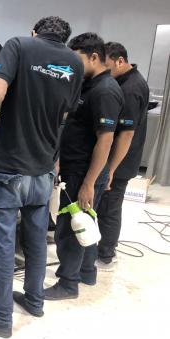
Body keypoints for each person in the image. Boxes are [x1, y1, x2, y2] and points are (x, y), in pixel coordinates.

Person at [0, 16, 83, 338]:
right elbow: (64, 114)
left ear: (35, 31)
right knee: (36, 239)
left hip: (10, 168)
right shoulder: (74, 62)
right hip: (44, 169)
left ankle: (1, 318)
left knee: (4, 244)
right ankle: (34, 300)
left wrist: (8, 86)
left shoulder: (19, 45)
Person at [45, 33, 124, 300]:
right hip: (78, 168)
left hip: (83, 172)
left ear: (93, 57)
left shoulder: (105, 91)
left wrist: (89, 183)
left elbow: (106, 139)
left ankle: (68, 284)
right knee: (87, 222)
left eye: (76, 58)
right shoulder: (91, 85)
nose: (73, 64)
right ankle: (87, 272)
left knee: (70, 228)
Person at [96, 42, 150, 271]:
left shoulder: (131, 89)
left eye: (107, 65)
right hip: (118, 160)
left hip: (120, 162)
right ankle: (104, 249)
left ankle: (106, 256)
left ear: (120, 61)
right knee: (107, 206)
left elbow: (126, 134)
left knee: (109, 208)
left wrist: (110, 170)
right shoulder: (126, 80)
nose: (105, 71)